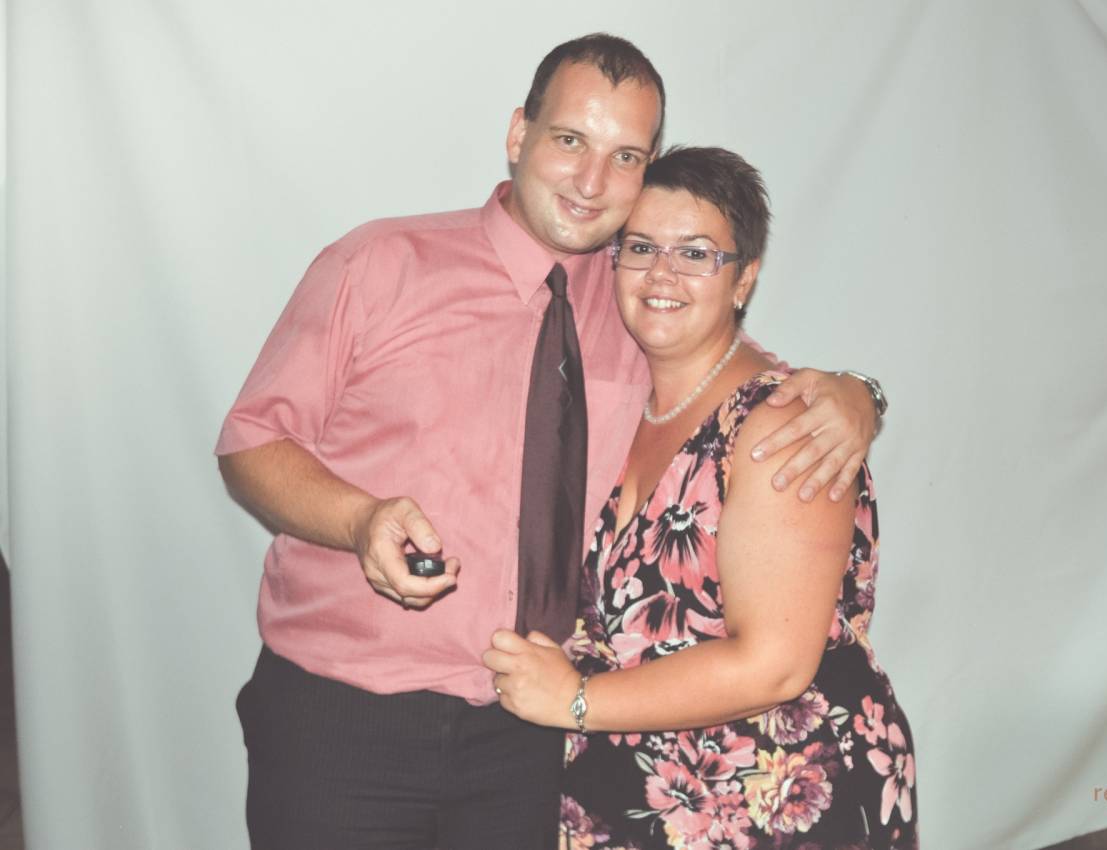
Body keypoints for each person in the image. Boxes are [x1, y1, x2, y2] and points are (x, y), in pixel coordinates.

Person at [217, 35, 886, 850]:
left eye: (625, 156)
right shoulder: (381, 264)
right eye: (571, 140)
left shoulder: (638, 293)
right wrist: (358, 520)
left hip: (533, 738)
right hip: (345, 717)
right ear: (518, 134)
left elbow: (735, 384)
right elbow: (252, 440)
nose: (591, 181)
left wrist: (857, 394)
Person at [484, 146, 917, 850]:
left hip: (770, 803)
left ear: (744, 278)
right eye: (642, 247)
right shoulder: (618, 403)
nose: (662, 273)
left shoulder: (777, 425)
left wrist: (576, 699)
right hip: (630, 796)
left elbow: (774, 663)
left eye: (695, 254)